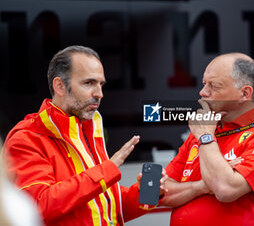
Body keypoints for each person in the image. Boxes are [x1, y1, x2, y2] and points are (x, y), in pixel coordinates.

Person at [2, 45, 165, 226]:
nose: (99, 94)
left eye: (101, 84)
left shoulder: (88, 128)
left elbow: (105, 209)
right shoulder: (26, 137)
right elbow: (38, 208)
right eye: (89, 83)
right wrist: (107, 170)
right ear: (60, 86)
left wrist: (144, 193)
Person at [160, 52, 254, 226]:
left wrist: (206, 137)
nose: (203, 92)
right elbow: (162, 193)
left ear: (245, 93)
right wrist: (202, 186)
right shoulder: (203, 131)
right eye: (204, 84)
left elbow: (225, 189)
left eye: (214, 86)